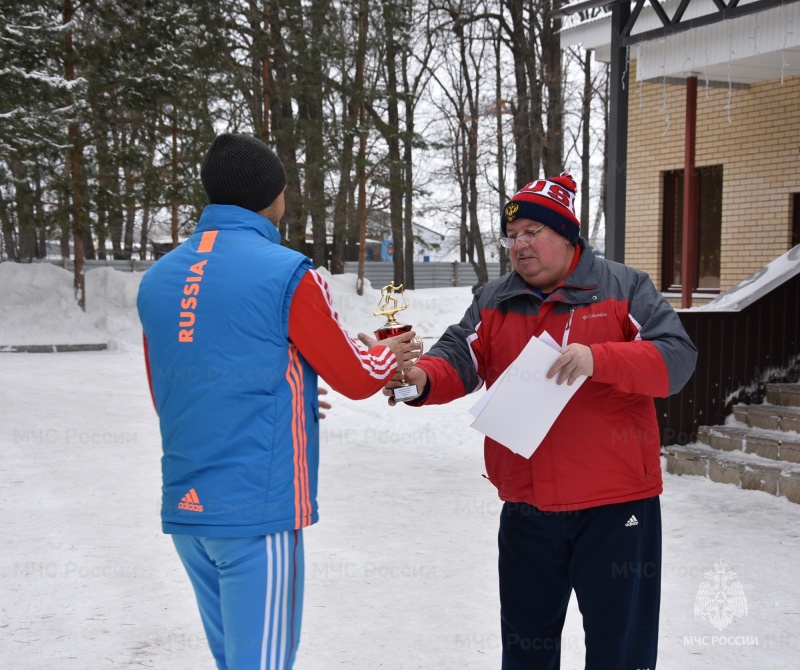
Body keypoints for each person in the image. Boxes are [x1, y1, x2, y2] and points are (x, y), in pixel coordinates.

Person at [368, 172, 697, 670]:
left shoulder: (625, 289)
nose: (519, 244)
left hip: (615, 505)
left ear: (566, 235)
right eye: (512, 235)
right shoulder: (494, 299)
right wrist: (415, 378)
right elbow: (458, 359)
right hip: (527, 507)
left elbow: (677, 359)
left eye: (531, 232)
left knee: (620, 650)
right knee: (526, 650)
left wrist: (600, 359)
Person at [136, 133, 419, 670]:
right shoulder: (289, 272)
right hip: (256, 514)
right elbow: (357, 376)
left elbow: (171, 393)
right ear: (275, 196)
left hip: (188, 510)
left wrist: (283, 398)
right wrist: (385, 352)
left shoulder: (157, 279)